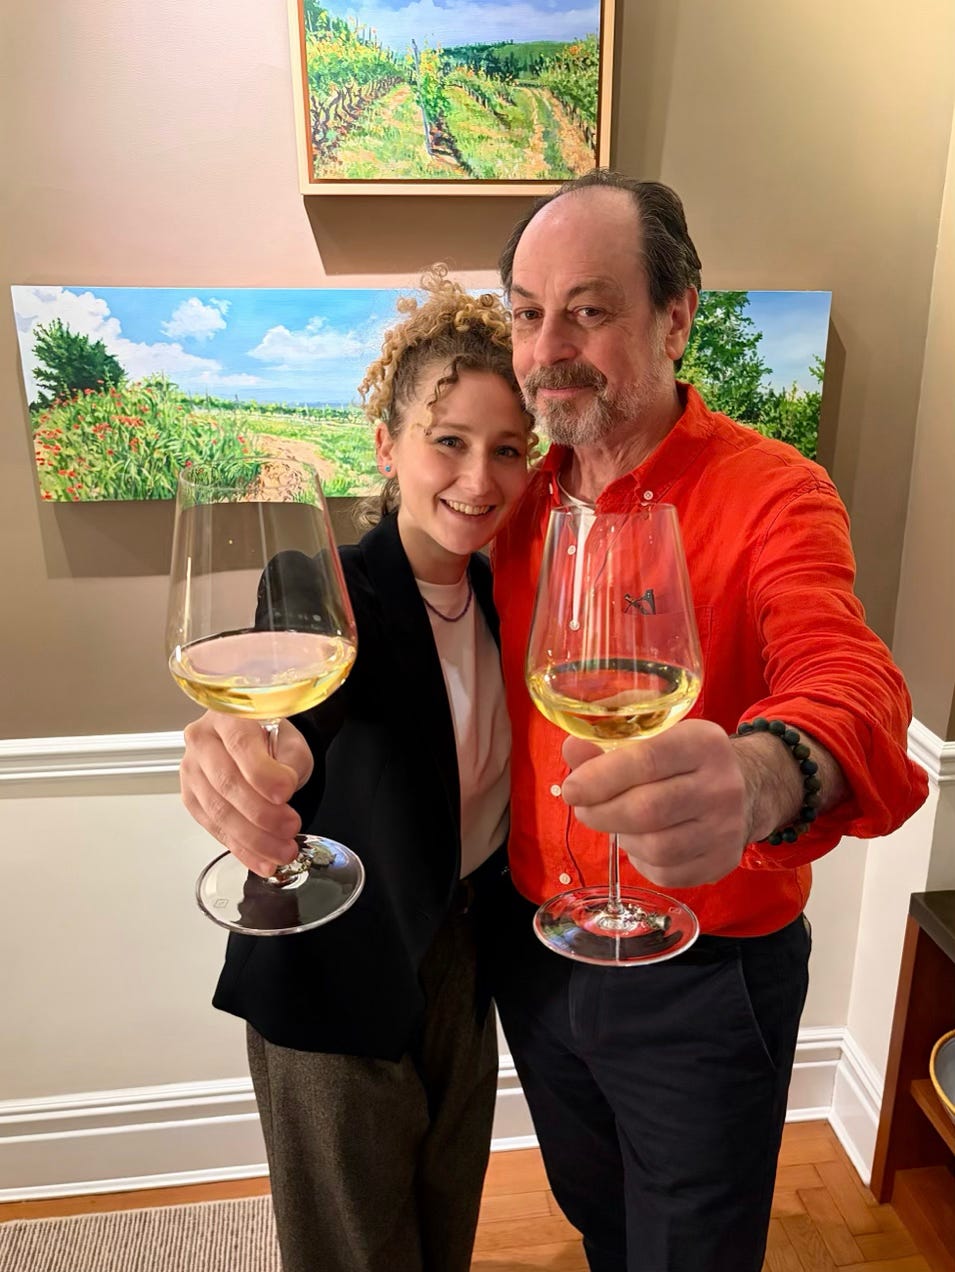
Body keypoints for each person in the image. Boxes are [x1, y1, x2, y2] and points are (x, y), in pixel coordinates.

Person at [486, 170, 929, 1272]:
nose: (548, 349)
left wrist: (764, 775)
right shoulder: (509, 502)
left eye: (589, 309)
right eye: (528, 314)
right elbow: (386, 612)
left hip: (704, 974)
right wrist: (272, 732)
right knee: (599, 1225)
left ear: (676, 318)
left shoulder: (778, 493)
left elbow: (847, 674)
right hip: (536, 952)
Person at [177, 267, 533, 1272]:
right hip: (334, 974)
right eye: (447, 440)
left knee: (445, 1230)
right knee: (351, 1255)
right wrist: (262, 749)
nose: (478, 478)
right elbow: (294, 706)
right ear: (386, 446)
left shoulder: (509, 596)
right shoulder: (323, 584)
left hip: (463, 963)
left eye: (507, 448)